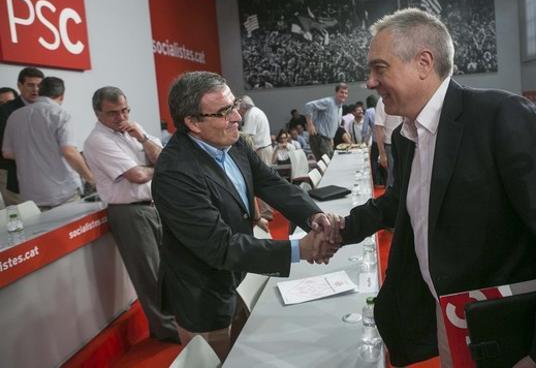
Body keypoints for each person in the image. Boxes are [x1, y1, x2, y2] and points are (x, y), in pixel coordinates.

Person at [338, 8, 536, 367]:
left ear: (423, 62)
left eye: (379, 68)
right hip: (458, 328)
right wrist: (341, 229)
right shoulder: (407, 136)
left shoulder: (502, 116)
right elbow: (403, 202)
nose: (369, 82)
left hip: (521, 339)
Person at [151, 71, 341, 361]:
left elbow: (271, 183)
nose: (237, 117)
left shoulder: (234, 141)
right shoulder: (174, 173)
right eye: (225, 112)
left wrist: (313, 216)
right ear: (193, 122)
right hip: (202, 292)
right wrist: (299, 249)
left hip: (239, 273)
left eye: (235, 105)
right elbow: (219, 246)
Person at [83, 86, 178, 343]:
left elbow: (164, 158)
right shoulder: (97, 140)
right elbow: (136, 176)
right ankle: (166, 329)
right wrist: (155, 167)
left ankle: (177, 321)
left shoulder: (132, 130)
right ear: (97, 113)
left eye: (125, 110)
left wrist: (143, 139)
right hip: (128, 212)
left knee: (167, 268)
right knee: (149, 274)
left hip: (153, 206)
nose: (121, 117)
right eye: (113, 113)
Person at [2, 77, 94, 210]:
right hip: (64, 192)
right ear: (61, 96)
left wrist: (34, 153)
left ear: (39, 92)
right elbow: (69, 152)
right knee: (71, 230)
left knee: (43, 231)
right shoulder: (60, 114)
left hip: (31, 195)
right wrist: (91, 179)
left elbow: (7, 153)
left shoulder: (15, 116)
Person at [0, 67, 45, 205]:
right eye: (30, 85)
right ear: (19, 86)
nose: (35, 89)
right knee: (25, 218)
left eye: (39, 85)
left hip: (43, 173)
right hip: (13, 174)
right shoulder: (5, 111)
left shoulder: (46, 108)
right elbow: (4, 147)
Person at [304, 83, 349, 160]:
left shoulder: (340, 107)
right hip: (319, 138)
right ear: (336, 92)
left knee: (329, 164)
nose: (344, 95)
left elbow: (333, 124)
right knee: (328, 164)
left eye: (346, 93)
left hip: (327, 140)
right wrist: (310, 124)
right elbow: (308, 106)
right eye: (341, 92)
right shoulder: (328, 102)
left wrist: (331, 138)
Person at [374, 96, 402, 187]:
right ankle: (391, 200)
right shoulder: (382, 100)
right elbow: (379, 128)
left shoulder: (402, 95)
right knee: (393, 179)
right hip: (390, 145)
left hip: (406, 143)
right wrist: (382, 154)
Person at [238, 95, 273, 165]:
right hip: (264, 149)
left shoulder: (251, 114)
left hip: (262, 150)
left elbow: (247, 136)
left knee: (263, 175)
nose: (238, 112)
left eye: (239, 109)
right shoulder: (255, 111)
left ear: (243, 107)